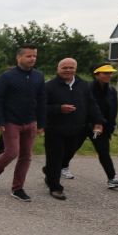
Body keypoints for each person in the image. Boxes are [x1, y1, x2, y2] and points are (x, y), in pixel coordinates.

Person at [0, 45, 46, 202]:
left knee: (26, 156)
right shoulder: (6, 77)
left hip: (30, 121)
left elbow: (42, 100)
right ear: (19, 58)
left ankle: (17, 188)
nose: (32, 59)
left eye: (34, 56)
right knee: (12, 152)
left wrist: (41, 123)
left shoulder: (39, 76)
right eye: (29, 56)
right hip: (10, 121)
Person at [42, 58, 103, 200]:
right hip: (55, 129)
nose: (68, 70)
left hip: (77, 128)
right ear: (58, 69)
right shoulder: (49, 86)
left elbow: (92, 104)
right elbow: (40, 107)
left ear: (76, 69)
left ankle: (49, 172)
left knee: (66, 155)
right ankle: (55, 187)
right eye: (64, 68)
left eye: (71, 67)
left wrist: (98, 121)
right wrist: (58, 108)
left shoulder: (84, 85)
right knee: (55, 157)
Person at [64, 64, 118, 189]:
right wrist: (92, 123)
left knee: (104, 152)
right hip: (84, 125)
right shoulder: (86, 88)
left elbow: (113, 110)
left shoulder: (112, 91)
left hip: (101, 127)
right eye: (105, 73)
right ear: (96, 75)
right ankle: (59, 168)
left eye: (110, 73)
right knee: (71, 148)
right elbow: (84, 108)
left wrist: (110, 126)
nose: (109, 75)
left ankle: (112, 178)